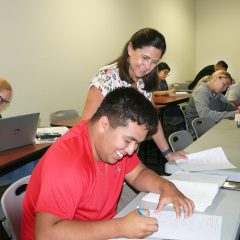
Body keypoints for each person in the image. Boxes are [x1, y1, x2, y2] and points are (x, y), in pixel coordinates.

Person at [21, 87, 194, 240]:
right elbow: (45, 235)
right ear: (104, 124)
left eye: (137, 143)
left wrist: (166, 186)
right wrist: (120, 227)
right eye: (128, 140)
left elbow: (139, 174)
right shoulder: (68, 163)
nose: (131, 150)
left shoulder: (112, 145)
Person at [81, 28, 186, 161]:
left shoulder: (145, 81)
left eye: (154, 62)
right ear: (130, 49)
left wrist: (168, 154)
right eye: (145, 57)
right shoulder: (106, 77)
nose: (148, 67)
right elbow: (85, 128)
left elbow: (152, 119)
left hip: (128, 158)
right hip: (104, 159)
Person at [185, 70, 240, 138]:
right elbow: (205, 115)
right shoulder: (201, 91)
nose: (225, 88)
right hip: (199, 130)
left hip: (211, 125)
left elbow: (227, 104)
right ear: (217, 78)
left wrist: (237, 110)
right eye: (225, 84)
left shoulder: (216, 93)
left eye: (227, 87)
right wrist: (233, 113)